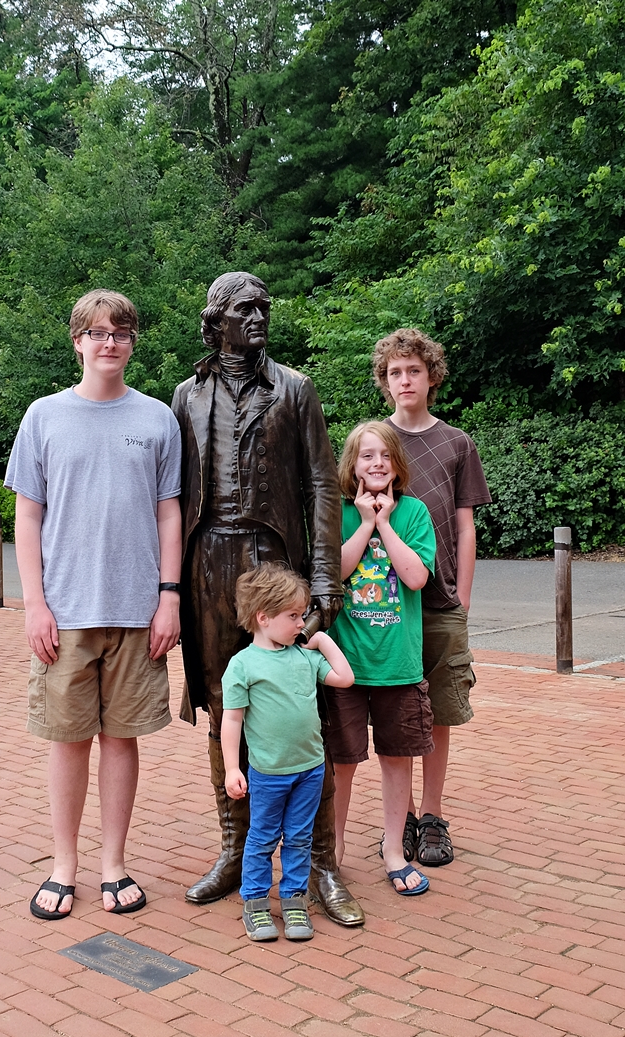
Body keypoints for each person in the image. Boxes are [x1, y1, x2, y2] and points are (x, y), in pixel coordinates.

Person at [171, 272, 364, 926]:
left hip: (273, 562)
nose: (259, 317)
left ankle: (321, 864)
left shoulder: (296, 389)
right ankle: (235, 850)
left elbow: (321, 487)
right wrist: (170, 589)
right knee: (228, 705)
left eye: (264, 308)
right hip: (207, 565)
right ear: (216, 320)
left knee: (302, 709)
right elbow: (172, 501)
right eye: (245, 309)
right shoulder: (186, 395)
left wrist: (324, 582)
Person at [5, 289, 182, 919]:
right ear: (77, 340)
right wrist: (34, 605)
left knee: (120, 740)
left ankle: (114, 865)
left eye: (123, 332)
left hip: (138, 612)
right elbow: (29, 516)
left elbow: (169, 513)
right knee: (67, 740)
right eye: (99, 332)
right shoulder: (43, 417)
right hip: (66, 612)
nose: (111, 342)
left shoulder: (158, 418)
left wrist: (169, 597)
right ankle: (63, 867)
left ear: (133, 342)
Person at [374, 328, 491, 867]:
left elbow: (465, 527)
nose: (405, 380)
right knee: (396, 712)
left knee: (439, 711)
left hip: (441, 603)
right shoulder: (375, 443)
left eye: (413, 370)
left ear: (431, 376)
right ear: (385, 381)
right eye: (395, 372)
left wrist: (462, 597)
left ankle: (433, 816)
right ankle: (397, 822)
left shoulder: (456, 444)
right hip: (386, 604)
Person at [326, 422, 437, 895]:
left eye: (384, 456)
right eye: (366, 456)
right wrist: (366, 521)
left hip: (398, 663)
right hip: (345, 666)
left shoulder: (414, 512)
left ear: (397, 464)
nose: (376, 464)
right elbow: (336, 571)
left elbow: (415, 577)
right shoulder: (337, 514)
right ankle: (332, 852)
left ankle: (394, 849)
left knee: (398, 759)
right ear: (351, 465)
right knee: (340, 762)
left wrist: (386, 523)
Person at [221, 565, 354, 941]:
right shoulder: (243, 665)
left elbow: (345, 679)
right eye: (293, 616)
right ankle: (256, 903)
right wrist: (233, 768)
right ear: (263, 618)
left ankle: (294, 899)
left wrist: (324, 643)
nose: (301, 623)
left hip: (310, 770)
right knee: (261, 838)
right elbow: (231, 723)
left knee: (299, 837)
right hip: (268, 772)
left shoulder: (305, 658)